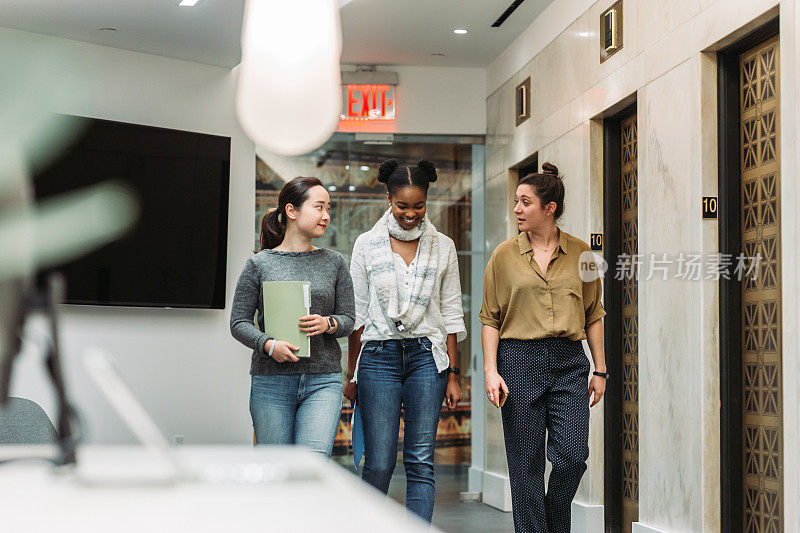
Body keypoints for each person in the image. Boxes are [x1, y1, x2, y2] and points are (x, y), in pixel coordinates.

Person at [480, 162, 607, 533]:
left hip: (570, 362)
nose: (516, 209)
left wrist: (600, 369)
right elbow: (490, 317)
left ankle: (551, 523)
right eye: (516, 202)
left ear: (549, 208)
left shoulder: (582, 253)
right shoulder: (503, 255)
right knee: (525, 464)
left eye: (525, 202)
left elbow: (593, 313)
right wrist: (491, 371)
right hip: (518, 360)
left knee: (572, 457)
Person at [344, 159, 466, 523]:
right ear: (388, 199)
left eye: (419, 206)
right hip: (378, 356)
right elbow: (357, 317)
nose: (410, 213)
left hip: (427, 358)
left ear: (427, 201)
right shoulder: (366, 244)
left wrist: (454, 374)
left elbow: (451, 314)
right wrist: (352, 374)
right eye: (402, 206)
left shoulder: (443, 246)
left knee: (421, 459)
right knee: (379, 462)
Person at [230, 176, 354, 456]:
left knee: (312, 465)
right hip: (270, 382)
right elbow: (238, 322)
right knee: (278, 470)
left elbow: (348, 319)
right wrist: (269, 345)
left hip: (323, 381)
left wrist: (328, 323)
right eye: (319, 207)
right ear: (291, 211)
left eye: (328, 209)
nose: (326, 216)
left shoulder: (334, 262)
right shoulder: (259, 264)